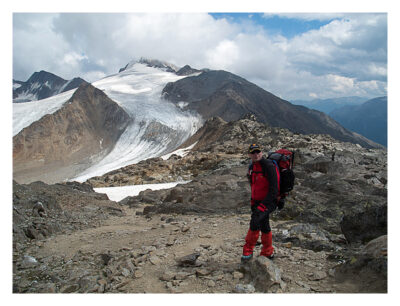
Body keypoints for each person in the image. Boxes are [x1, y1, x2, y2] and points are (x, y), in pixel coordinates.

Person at [241, 143, 280, 262]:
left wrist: (263, 205)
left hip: (268, 202)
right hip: (257, 202)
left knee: (254, 223)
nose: (255, 154)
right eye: (253, 152)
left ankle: (247, 253)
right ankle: (268, 252)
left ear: (261, 153)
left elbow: (274, 189)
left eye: (257, 152)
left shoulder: (268, 166)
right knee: (264, 225)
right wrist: (253, 202)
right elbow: (254, 185)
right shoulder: (252, 167)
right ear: (249, 154)